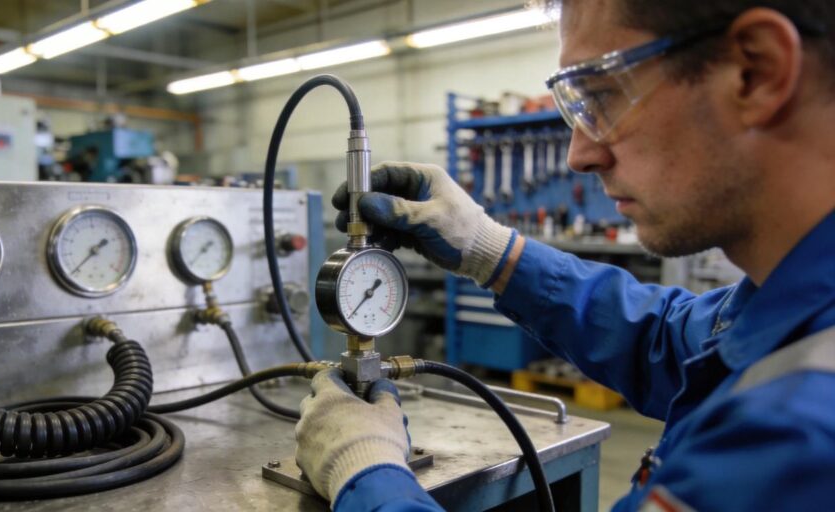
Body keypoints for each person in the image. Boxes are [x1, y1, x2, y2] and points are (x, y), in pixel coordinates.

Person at [294, 0, 835, 510]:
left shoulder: (797, 439)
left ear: (756, 72)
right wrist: (488, 249)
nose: (579, 155)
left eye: (601, 95)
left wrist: (365, 473)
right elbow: (669, 343)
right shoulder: (786, 306)